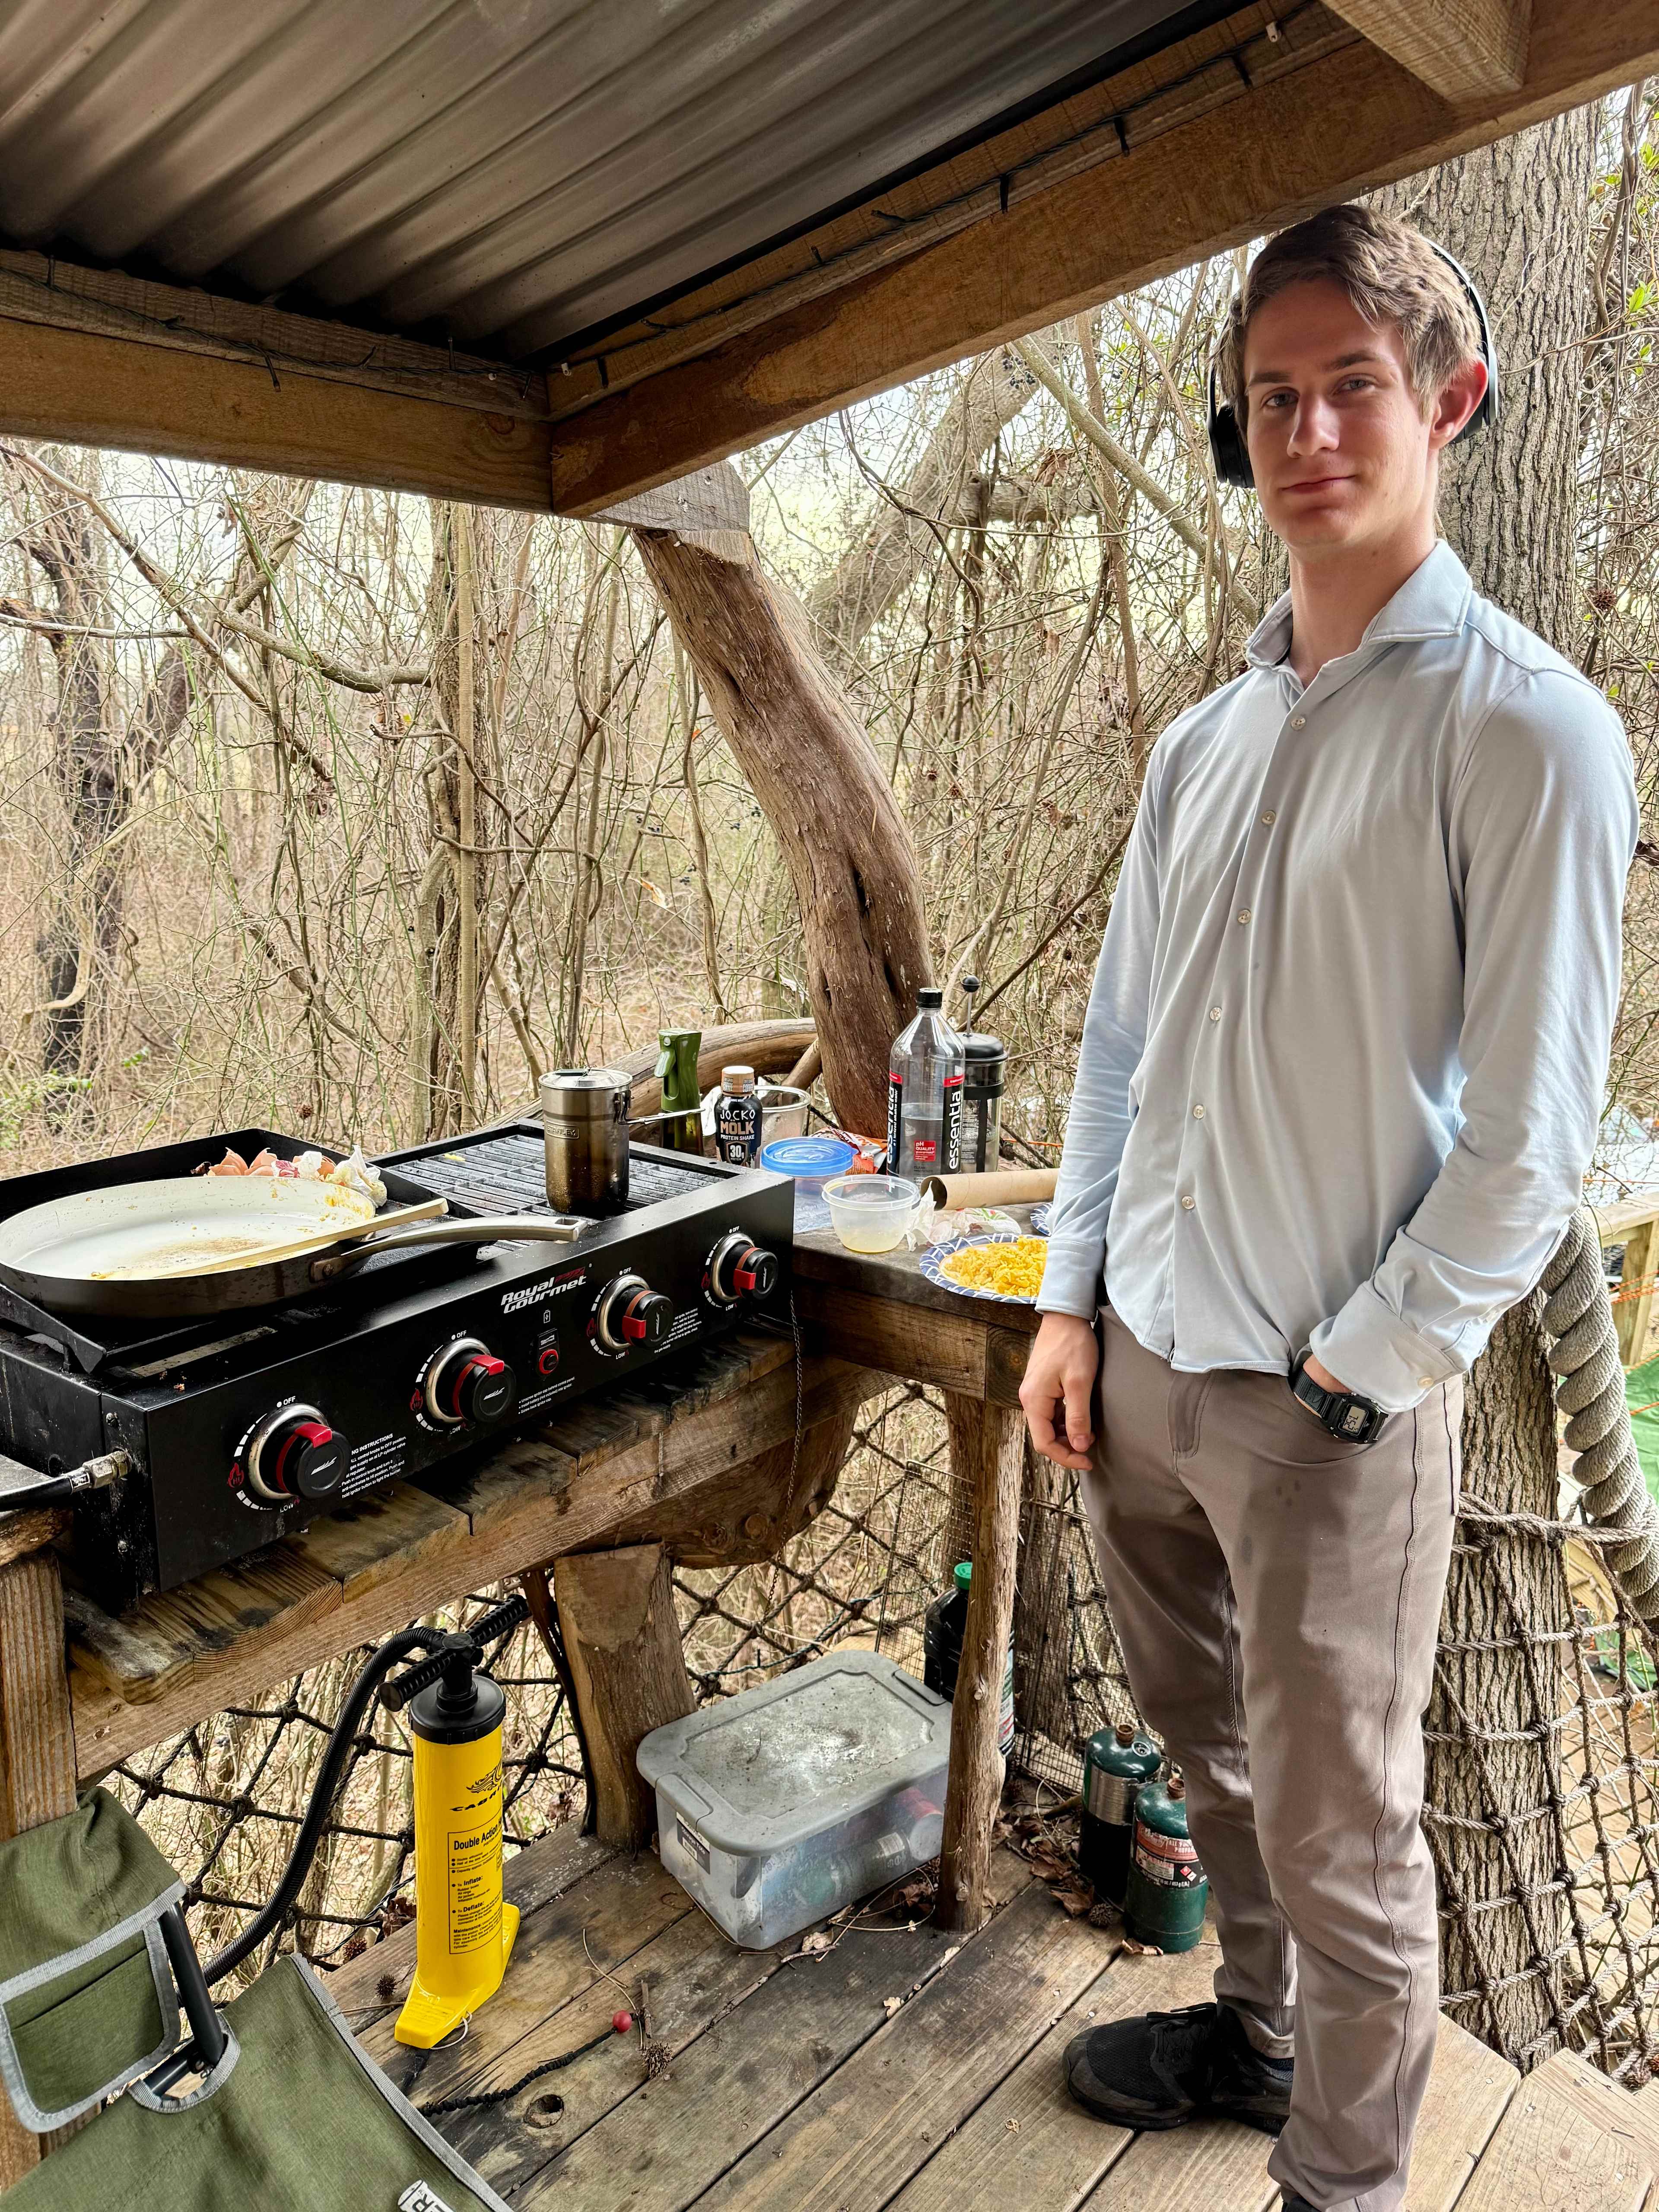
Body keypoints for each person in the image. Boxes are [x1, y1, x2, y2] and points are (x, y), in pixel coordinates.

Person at [1021, 202, 1638, 2212]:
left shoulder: (1524, 726)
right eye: (1270, 397)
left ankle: (1345, 2182)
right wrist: (1066, 1304)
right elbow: (1116, 1050)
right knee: (1214, 1769)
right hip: (1139, 1372)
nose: (1305, 431)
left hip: (1325, 1408)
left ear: (1447, 401)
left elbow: (1532, 1137)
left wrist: (1363, 1366)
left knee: (1353, 1833)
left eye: (1349, 386)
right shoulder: (1205, 743)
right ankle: (1256, 2034)